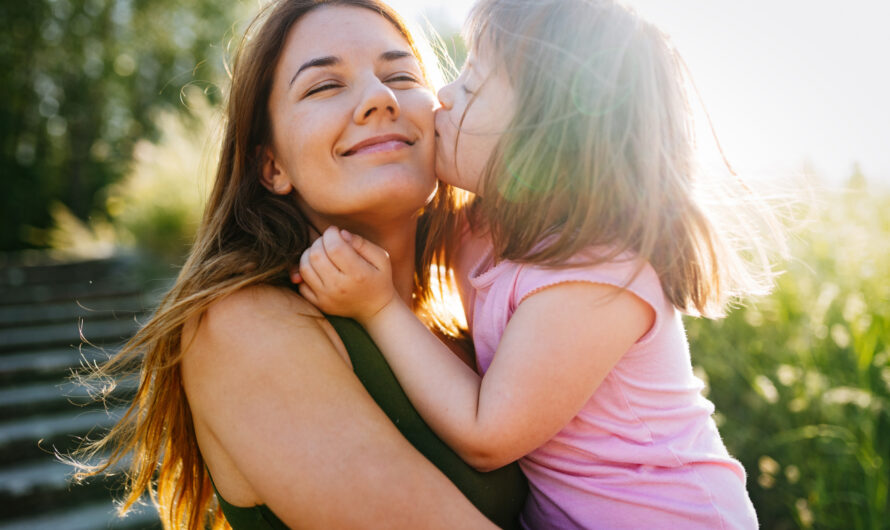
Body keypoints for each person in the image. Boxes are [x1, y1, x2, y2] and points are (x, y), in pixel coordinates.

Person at [295, 0, 782, 528]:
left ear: (544, 139)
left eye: (473, 86)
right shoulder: (484, 229)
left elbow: (486, 435)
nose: (444, 95)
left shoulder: (596, 275)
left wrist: (378, 308)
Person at [68, 1, 527, 528]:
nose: (379, 98)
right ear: (272, 166)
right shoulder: (243, 326)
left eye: (400, 76)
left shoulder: (476, 324)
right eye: (324, 86)